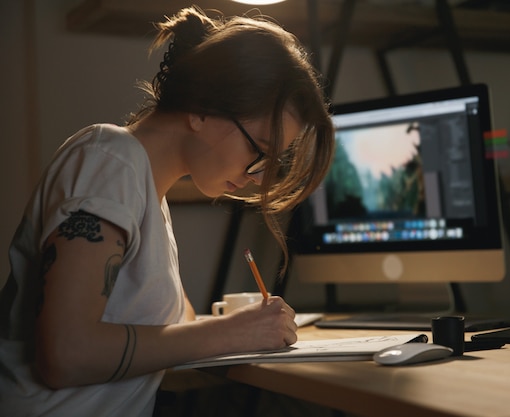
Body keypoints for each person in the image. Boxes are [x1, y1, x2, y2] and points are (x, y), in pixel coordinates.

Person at [0, 6, 334, 416]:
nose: (255, 177)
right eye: (259, 151)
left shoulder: (148, 197)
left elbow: (173, 332)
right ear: (201, 108)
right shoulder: (110, 159)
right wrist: (228, 333)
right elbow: (66, 353)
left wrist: (244, 326)